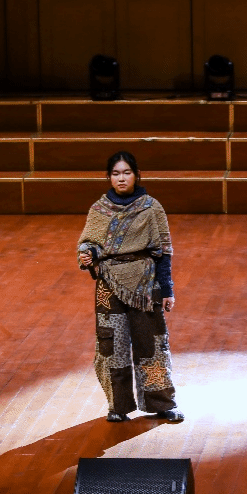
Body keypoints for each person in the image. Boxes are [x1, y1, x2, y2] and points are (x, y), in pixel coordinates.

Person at [77, 151, 183, 423]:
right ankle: (118, 405)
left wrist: (167, 289)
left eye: (126, 173)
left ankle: (161, 403)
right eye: (115, 173)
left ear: (136, 175)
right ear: (108, 177)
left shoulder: (151, 208)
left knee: (152, 345)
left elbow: (164, 251)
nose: (121, 178)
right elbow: (89, 243)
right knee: (112, 347)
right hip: (109, 286)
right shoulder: (99, 210)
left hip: (145, 285)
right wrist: (88, 254)